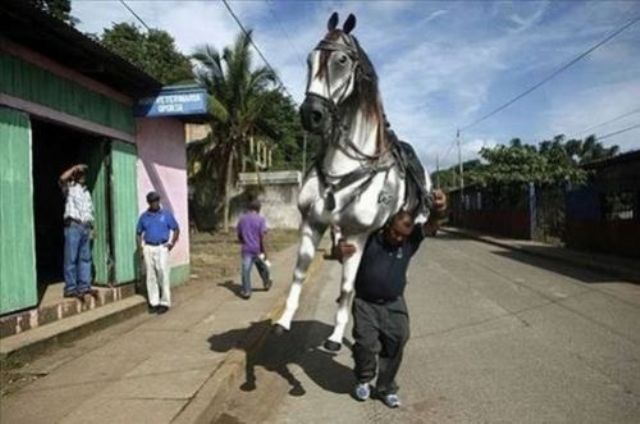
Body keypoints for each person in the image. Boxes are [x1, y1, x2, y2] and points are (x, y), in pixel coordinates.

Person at [335, 189, 447, 408]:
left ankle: (386, 387)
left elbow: (432, 225)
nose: (398, 238)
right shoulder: (368, 239)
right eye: (394, 233)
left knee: (398, 340)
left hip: (394, 303)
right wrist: (338, 248)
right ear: (387, 226)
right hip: (365, 304)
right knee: (366, 345)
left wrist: (439, 208)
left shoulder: (409, 241)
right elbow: (342, 242)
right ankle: (364, 379)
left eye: (402, 236)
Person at [136, 191, 180, 314]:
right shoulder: (144, 217)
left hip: (162, 247)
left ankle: (165, 302)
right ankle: (154, 302)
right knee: (150, 275)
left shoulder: (165, 214)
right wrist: (140, 248)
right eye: (152, 201)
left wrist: (171, 243)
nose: (154, 203)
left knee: (163, 274)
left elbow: (176, 229)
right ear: (149, 203)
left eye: (156, 201)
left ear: (159, 201)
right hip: (149, 247)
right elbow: (139, 233)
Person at [59, 163, 97, 300]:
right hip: (73, 226)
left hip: (85, 227)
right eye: (79, 174)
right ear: (75, 176)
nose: (82, 177)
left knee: (85, 258)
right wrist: (75, 168)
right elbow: (62, 178)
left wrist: (92, 227)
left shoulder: (86, 192)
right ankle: (70, 288)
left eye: (83, 174)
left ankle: (84, 286)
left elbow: (88, 211)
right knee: (71, 257)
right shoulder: (69, 188)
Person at [236, 199, 273, 300]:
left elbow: (239, 235)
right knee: (263, 267)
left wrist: (244, 241)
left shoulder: (242, 219)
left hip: (246, 249)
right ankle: (266, 283)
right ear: (259, 209)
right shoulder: (261, 220)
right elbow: (263, 237)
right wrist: (265, 251)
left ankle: (247, 291)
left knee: (246, 271)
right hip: (257, 249)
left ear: (249, 208)